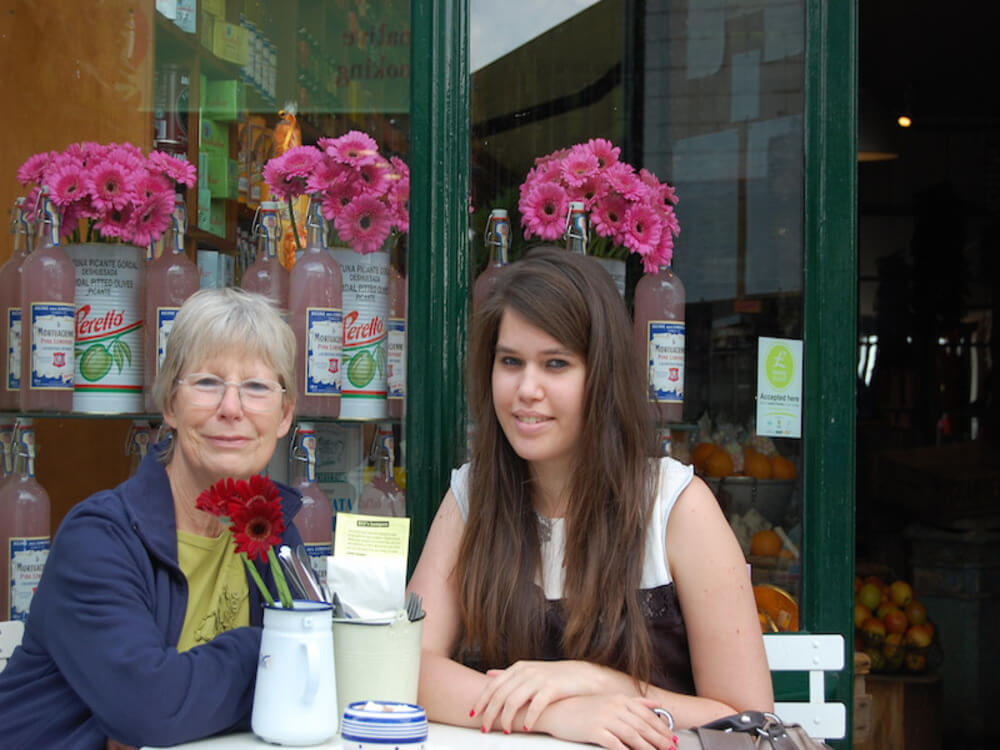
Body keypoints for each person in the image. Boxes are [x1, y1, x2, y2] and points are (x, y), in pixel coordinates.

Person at [407, 247, 773, 750]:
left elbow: (751, 726)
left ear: (602, 377)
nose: (526, 389)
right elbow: (408, 666)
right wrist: (558, 712)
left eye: (555, 364)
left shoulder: (675, 506)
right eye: (510, 361)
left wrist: (601, 682)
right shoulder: (471, 497)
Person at [0, 288, 303, 749]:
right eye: (206, 383)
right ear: (170, 405)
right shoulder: (100, 539)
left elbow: (316, 677)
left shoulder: (271, 528)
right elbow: (153, 711)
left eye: (257, 387)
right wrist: (269, 648)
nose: (231, 407)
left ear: (283, 416)